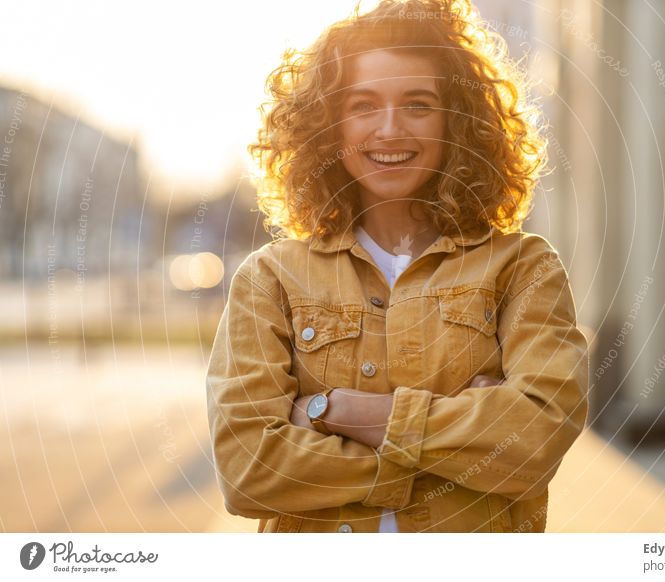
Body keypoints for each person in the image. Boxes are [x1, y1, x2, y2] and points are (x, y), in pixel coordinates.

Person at [206, 0, 588, 533]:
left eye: (418, 104)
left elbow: (533, 442)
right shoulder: (270, 278)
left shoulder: (523, 268)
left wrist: (333, 411)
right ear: (328, 125)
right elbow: (248, 470)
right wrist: (457, 446)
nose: (389, 129)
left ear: (457, 121)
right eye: (362, 105)